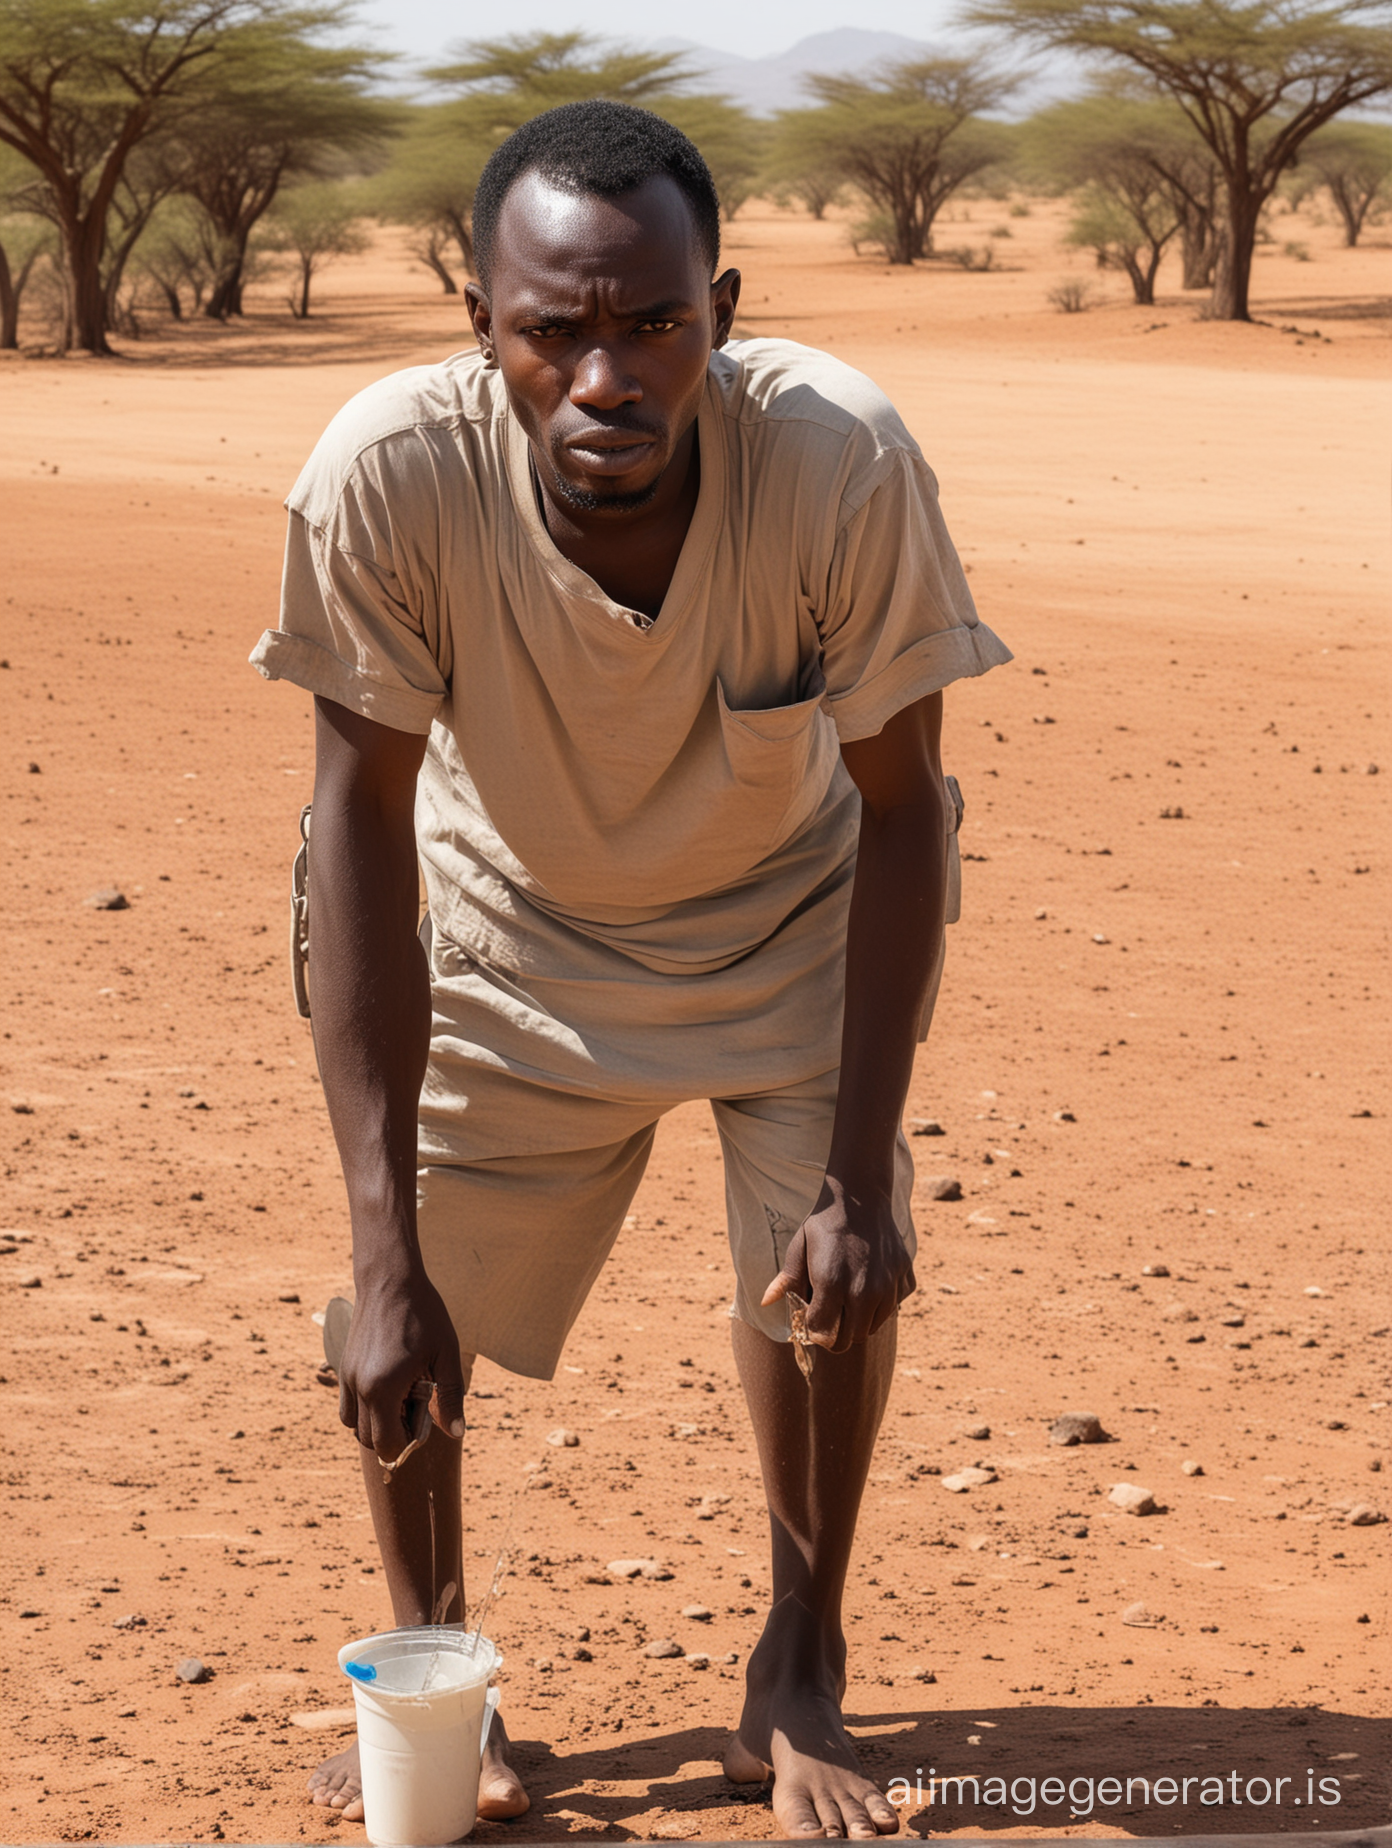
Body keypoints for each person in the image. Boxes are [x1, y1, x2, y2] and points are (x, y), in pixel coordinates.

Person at [251, 98, 1010, 1841]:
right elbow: (353, 825)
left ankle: (798, 1666)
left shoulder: (839, 462)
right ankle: (444, 1673)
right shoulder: (388, 471)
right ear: (482, 327)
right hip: (512, 928)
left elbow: (904, 812)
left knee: (831, 1277)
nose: (610, 378)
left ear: (721, 309)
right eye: (556, 331)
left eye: (655, 323)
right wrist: (381, 1239)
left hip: (791, 920)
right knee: (400, 1312)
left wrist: (858, 1173)